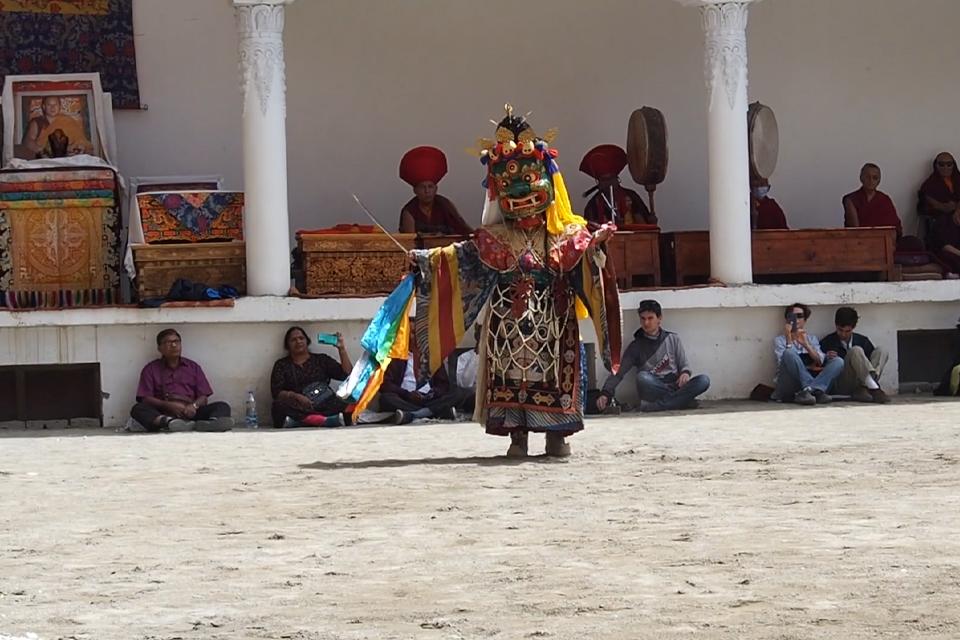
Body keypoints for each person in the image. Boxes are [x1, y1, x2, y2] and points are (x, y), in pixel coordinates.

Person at [401, 106, 621, 458]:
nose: (521, 194)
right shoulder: (495, 236)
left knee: (555, 375)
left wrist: (597, 245)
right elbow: (463, 256)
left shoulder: (562, 232)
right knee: (509, 376)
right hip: (507, 319)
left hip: (554, 318)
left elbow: (580, 251)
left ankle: (556, 435)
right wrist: (425, 261)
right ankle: (517, 436)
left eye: (530, 183)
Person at [596, 299, 709, 413]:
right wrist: (606, 393)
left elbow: (684, 365)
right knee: (642, 378)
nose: (646, 323)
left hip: (675, 385)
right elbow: (618, 372)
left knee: (704, 380)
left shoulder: (672, 338)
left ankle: (655, 406)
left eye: (650, 318)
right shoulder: (636, 346)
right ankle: (682, 401)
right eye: (643, 319)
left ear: (659, 319)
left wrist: (685, 373)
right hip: (652, 388)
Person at [130, 329, 233, 432]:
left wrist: (193, 406)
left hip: (191, 412)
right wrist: (168, 405)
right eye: (168, 342)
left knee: (222, 406)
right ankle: (169, 423)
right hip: (163, 411)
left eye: (177, 341)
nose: (174, 345)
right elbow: (145, 398)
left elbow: (204, 396)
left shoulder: (193, 367)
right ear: (160, 348)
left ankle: (211, 424)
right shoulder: (151, 369)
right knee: (138, 409)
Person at [379, 331, 468, 425]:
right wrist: (407, 394)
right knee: (386, 398)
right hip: (406, 399)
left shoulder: (432, 356)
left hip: (430, 399)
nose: (416, 337)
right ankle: (435, 412)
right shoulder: (397, 357)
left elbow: (443, 384)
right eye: (412, 333)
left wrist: (432, 393)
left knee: (458, 393)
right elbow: (386, 384)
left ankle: (414, 415)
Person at [270, 326, 352, 427]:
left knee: (347, 401)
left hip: (324, 403)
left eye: (301, 338)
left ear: (307, 341)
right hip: (298, 406)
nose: (298, 342)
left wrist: (342, 349)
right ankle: (323, 421)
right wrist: (296, 396)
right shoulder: (282, 365)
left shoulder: (321, 360)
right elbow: (276, 392)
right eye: (293, 340)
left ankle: (304, 421)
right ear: (287, 345)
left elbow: (347, 375)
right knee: (278, 406)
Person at [772, 303, 844, 405]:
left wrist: (806, 344)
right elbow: (782, 363)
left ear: (805, 320)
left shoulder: (811, 338)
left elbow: (820, 361)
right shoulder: (779, 340)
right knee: (788, 352)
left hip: (811, 376)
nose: (796, 320)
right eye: (792, 316)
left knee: (838, 361)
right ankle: (812, 389)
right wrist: (789, 338)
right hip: (790, 382)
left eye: (800, 316)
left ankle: (810, 390)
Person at [820, 307, 890, 403]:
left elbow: (872, 362)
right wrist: (825, 357)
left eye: (847, 331)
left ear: (853, 328)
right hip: (842, 383)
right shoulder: (828, 341)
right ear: (835, 325)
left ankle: (864, 388)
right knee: (855, 350)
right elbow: (819, 368)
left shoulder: (862, 340)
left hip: (860, 382)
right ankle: (874, 389)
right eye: (840, 330)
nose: (843, 334)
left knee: (882, 351)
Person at [398, 146, 472, 235]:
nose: (427, 191)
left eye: (430, 187)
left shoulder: (445, 204)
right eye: (422, 187)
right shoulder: (409, 211)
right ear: (415, 190)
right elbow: (409, 241)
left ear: (436, 189)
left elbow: (462, 229)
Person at [579, 144, 656, 228]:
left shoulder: (631, 196)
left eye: (611, 178)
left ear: (617, 179)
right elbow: (591, 231)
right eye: (604, 180)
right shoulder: (593, 205)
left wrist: (651, 221)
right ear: (599, 183)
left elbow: (646, 225)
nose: (609, 183)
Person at [842, 163, 903, 238]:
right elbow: (855, 230)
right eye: (867, 177)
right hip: (860, 242)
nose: (871, 180)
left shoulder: (885, 199)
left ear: (879, 180)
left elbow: (894, 228)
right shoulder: (851, 199)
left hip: (884, 241)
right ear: (861, 178)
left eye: (875, 178)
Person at [22, 95, 94, 158]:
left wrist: (78, 148)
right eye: (49, 105)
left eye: (55, 105)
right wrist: (43, 151)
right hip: (45, 158)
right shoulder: (37, 122)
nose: (52, 108)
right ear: (44, 107)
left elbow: (80, 141)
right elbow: (28, 141)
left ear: (60, 106)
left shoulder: (68, 121)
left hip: (68, 157)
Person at [917, 152, 960, 241]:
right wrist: (948, 208)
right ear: (936, 166)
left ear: (954, 165)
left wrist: (957, 209)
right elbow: (937, 205)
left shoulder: (958, 179)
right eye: (941, 164)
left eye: (949, 164)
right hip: (942, 219)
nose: (945, 168)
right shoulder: (929, 184)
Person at [454, 324, 483, 415]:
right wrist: (477, 355)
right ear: (477, 337)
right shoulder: (464, 357)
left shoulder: (497, 357)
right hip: (471, 395)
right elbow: (465, 383)